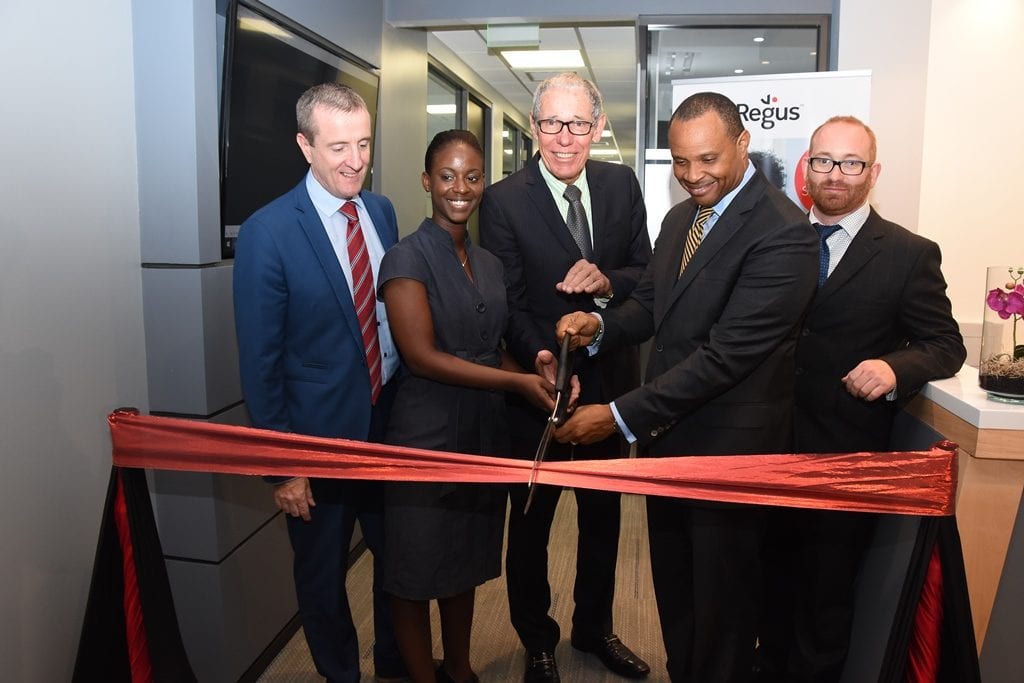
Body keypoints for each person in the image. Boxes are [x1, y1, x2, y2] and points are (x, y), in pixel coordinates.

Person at [553, 91, 820, 682]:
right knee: (676, 594)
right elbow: (651, 306)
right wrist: (598, 327)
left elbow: (724, 358)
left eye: (707, 160)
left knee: (723, 611)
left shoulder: (784, 232)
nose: (693, 175)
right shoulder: (681, 218)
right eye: (679, 162)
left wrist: (617, 416)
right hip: (669, 447)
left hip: (730, 456)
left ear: (742, 144)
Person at [755, 115, 967, 682]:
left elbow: (946, 344)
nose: (836, 175)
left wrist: (894, 367)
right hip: (763, 448)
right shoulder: (770, 238)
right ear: (807, 167)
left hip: (843, 456)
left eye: (851, 164)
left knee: (824, 603)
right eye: (823, 161)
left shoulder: (908, 253)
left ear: (874, 173)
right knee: (762, 591)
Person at [479, 72, 652, 683]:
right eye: (552, 123)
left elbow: (646, 274)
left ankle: (595, 628)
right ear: (533, 127)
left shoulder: (621, 185)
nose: (565, 138)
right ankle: (539, 641)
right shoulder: (502, 200)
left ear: (598, 127)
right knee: (530, 528)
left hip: (611, 392)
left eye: (579, 124)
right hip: (537, 392)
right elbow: (510, 302)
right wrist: (542, 359)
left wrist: (606, 283)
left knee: (604, 519)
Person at [232, 83, 405, 683]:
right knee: (324, 581)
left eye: (363, 143)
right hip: (316, 444)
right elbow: (261, 362)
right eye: (338, 147)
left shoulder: (381, 211)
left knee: (399, 567)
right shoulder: (268, 232)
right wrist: (283, 465)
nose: (356, 160)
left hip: (387, 431)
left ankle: (394, 667)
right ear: (305, 146)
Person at [378, 129, 559, 683]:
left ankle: (459, 668)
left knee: (463, 563)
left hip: (482, 434)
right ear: (427, 181)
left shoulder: (487, 262)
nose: (461, 188)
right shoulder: (405, 258)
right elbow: (423, 357)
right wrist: (516, 386)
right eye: (448, 176)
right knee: (413, 571)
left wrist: (535, 375)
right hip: (425, 436)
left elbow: (493, 347)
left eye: (473, 177)